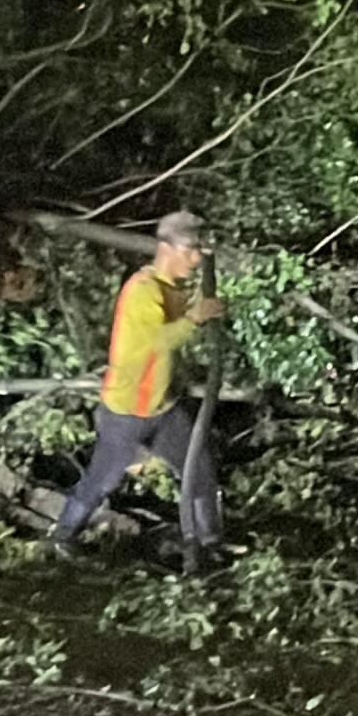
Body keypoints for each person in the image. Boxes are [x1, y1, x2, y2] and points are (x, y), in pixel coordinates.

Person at [49, 210, 227, 557]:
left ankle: (209, 543)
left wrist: (209, 309)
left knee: (199, 470)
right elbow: (158, 342)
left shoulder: (176, 287)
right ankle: (63, 536)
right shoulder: (142, 292)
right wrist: (195, 317)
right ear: (166, 248)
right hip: (127, 410)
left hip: (164, 405)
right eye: (189, 250)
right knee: (103, 480)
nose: (195, 258)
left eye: (198, 251)